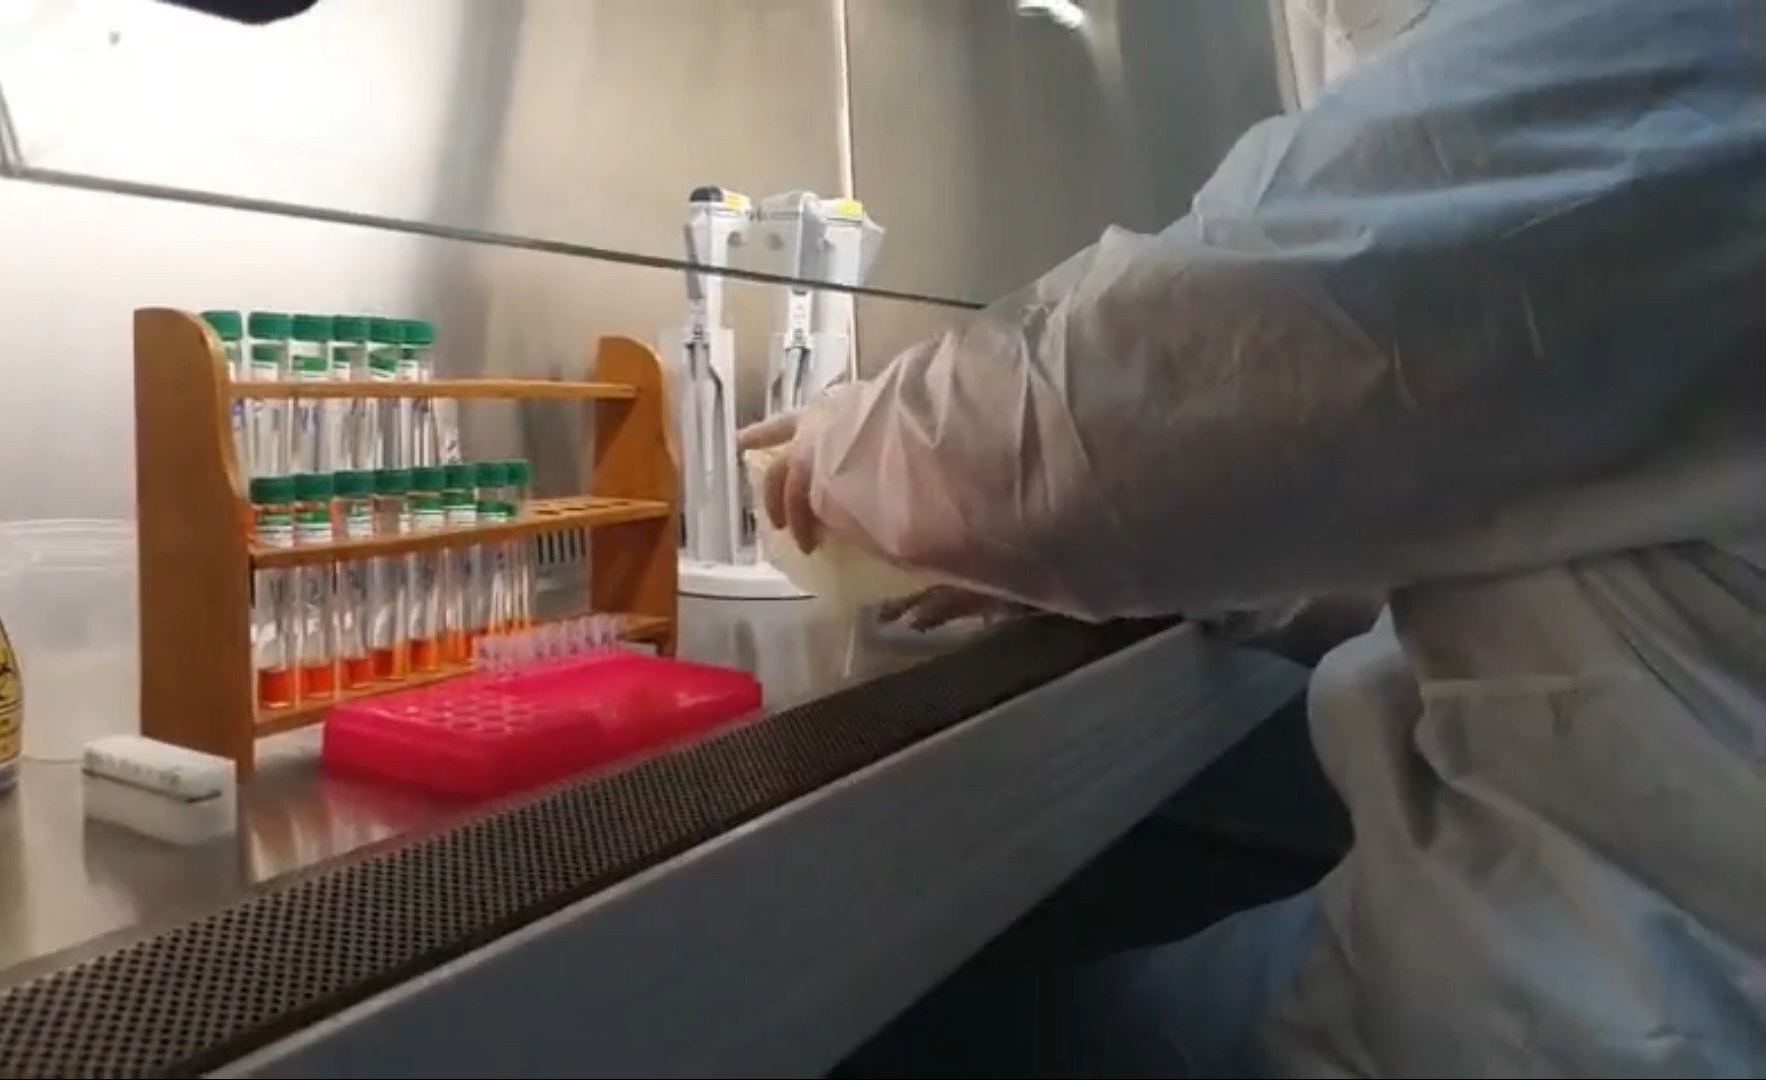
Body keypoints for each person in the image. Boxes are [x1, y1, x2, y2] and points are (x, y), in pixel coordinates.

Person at [740, 0, 1766, 1074]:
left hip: (1599, 1003)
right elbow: (1505, 522)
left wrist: (840, 446)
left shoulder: (1634, 32)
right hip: (1620, 928)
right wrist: (1171, 561)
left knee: (950, 1040)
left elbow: (1113, 399)